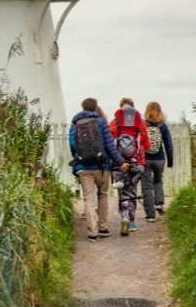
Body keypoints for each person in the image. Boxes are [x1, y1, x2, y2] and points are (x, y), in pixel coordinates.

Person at [69, 97, 129, 241]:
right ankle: (103, 227)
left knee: (88, 199)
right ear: (95, 107)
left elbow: (73, 147)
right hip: (102, 166)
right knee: (102, 195)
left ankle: (92, 232)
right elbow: (110, 145)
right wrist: (121, 162)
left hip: (83, 167)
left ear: (82, 107)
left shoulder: (74, 125)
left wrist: (78, 161)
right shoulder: (101, 122)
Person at [108, 98, 151, 234]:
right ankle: (132, 222)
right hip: (137, 163)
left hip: (119, 164)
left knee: (123, 193)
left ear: (120, 108)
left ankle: (124, 218)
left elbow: (109, 144)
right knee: (132, 191)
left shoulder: (114, 123)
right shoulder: (141, 124)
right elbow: (148, 145)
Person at [142, 101, 175, 219]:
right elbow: (168, 144)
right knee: (158, 181)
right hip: (160, 159)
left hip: (145, 159)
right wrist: (170, 161)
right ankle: (159, 203)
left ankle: (150, 215)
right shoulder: (163, 126)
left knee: (146, 186)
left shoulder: (143, 125)